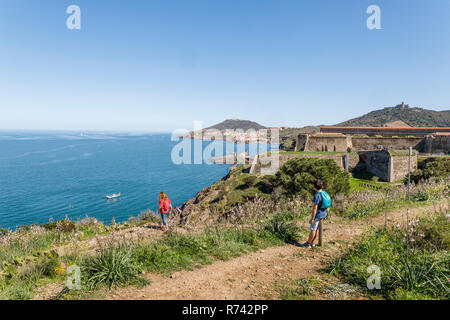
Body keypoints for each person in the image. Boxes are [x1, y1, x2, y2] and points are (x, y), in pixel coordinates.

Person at [301, 179, 331, 248]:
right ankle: (312, 242)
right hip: (323, 213)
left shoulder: (317, 195)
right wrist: (326, 214)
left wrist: (312, 218)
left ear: (315, 187)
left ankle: (308, 243)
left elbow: (315, 208)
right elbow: (327, 205)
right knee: (317, 229)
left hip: (317, 215)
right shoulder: (325, 194)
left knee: (313, 229)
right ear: (322, 186)